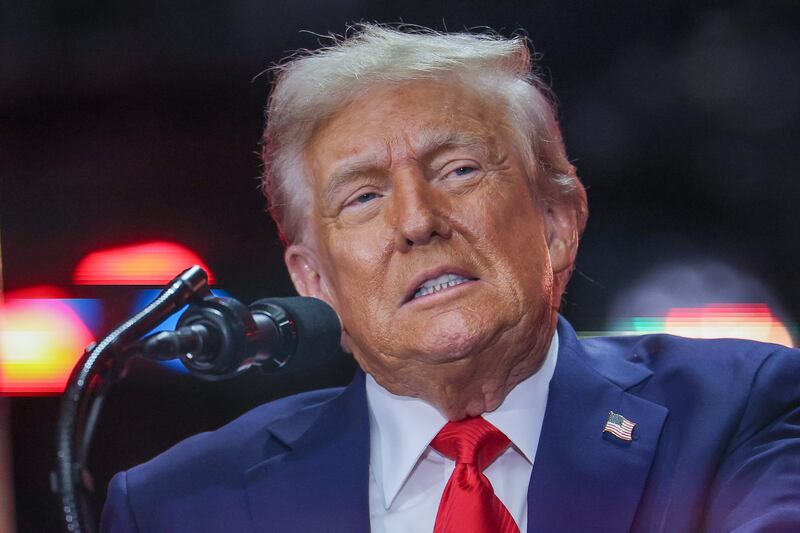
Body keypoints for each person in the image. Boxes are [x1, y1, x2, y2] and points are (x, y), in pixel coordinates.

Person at [101, 25, 800, 532]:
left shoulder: (738, 411)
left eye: (457, 170)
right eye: (364, 197)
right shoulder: (180, 505)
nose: (416, 221)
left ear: (556, 222)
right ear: (314, 280)